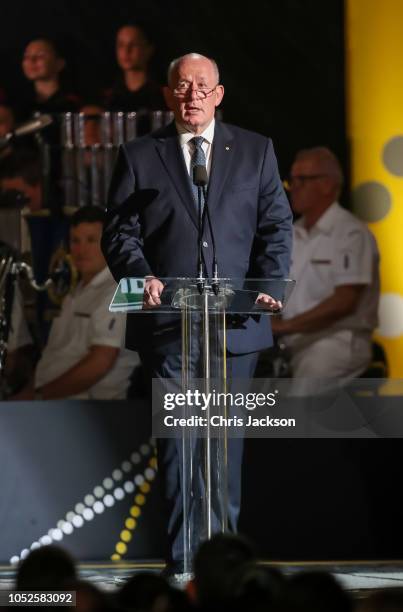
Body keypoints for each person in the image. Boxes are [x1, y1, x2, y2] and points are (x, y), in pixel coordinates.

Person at [102, 52, 293, 576]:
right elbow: (119, 232)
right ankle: (184, 563)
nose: (193, 96)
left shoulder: (255, 151)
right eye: (183, 87)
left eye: (202, 86)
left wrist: (269, 285)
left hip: (235, 325)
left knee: (223, 449)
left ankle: (225, 564)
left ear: (220, 93)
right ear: (167, 95)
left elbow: (277, 224)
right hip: (168, 326)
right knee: (182, 449)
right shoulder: (141, 154)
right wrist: (146, 277)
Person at [272, 147, 380, 388]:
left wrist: (283, 327)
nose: (292, 187)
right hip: (289, 340)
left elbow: (345, 301)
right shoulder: (291, 233)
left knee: (306, 390)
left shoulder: (351, 233)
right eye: (291, 180)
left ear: (327, 184)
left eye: (301, 180)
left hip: (336, 339)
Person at [13, 206, 139, 400]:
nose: (81, 250)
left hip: (92, 410)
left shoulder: (123, 288)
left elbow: (101, 361)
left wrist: (38, 396)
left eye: (91, 240)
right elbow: (54, 355)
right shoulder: (76, 291)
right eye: (75, 241)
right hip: (51, 402)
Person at [104, 24, 166, 113]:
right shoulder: (108, 97)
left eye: (134, 44)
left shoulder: (163, 96)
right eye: (121, 45)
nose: (126, 51)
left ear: (149, 49)